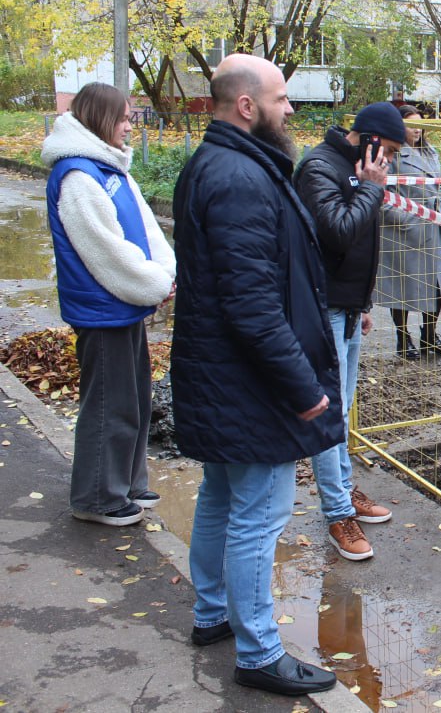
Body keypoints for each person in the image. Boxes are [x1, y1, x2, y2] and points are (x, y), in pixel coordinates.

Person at [171, 53, 340, 696]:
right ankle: (259, 652)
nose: (291, 109)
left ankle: (212, 613)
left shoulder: (221, 164)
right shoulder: (240, 177)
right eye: (280, 98)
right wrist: (303, 392)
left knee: (221, 494)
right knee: (258, 514)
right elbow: (251, 305)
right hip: (250, 383)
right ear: (247, 106)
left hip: (224, 378)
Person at [42, 83, 176, 526]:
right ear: (100, 118)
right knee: (108, 403)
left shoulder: (107, 167)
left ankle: (127, 482)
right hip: (103, 310)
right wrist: (153, 284)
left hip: (123, 305)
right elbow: (105, 251)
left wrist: (162, 276)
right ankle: (98, 496)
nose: (128, 126)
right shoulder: (80, 175)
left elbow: (143, 229)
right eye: (122, 118)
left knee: (133, 396)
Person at [294, 101, 401, 561]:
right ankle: (338, 512)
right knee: (328, 412)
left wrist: (363, 302)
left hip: (349, 307)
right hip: (322, 308)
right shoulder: (319, 166)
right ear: (370, 138)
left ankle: (343, 490)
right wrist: (372, 190)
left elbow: (361, 244)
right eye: (390, 150)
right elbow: (337, 232)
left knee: (344, 407)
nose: (391, 161)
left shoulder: (360, 171)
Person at [375, 104, 441, 360]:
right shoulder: (392, 155)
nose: (417, 129)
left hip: (434, 229)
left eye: (421, 123)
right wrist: (408, 219)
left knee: (435, 288)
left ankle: (430, 335)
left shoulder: (430, 152)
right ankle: (403, 338)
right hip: (404, 233)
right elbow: (381, 195)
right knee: (403, 289)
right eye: (411, 124)